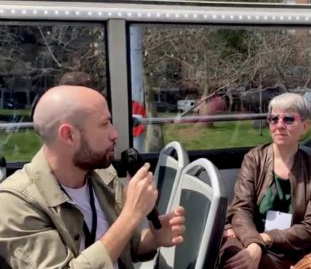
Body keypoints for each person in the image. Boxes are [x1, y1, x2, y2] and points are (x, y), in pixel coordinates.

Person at [0, 85, 185, 268]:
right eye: (104, 124)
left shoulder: (103, 176)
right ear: (69, 135)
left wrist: (153, 239)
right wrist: (131, 214)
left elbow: (123, 245)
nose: (114, 134)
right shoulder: (15, 204)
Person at [219, 93, 311, 269]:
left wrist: (266, 238)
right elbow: (240, 209)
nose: (279, 125)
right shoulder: (254, 159)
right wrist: (254, 243)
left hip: (287, 251)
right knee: (235, 258)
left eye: (288, 119)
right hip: (248, 240)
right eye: (274, 119)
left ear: (305, 126)